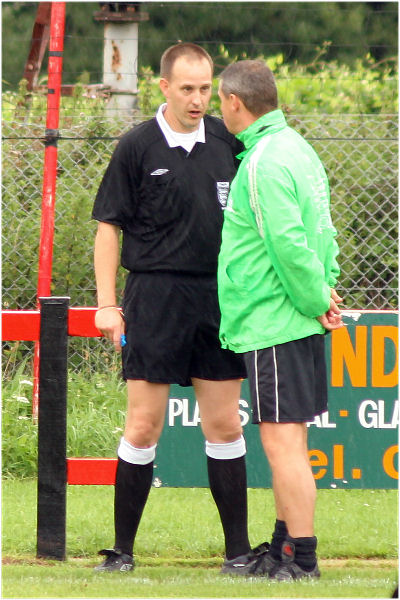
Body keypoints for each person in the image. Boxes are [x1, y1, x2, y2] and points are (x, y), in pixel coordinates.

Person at [92, 43, 264, 574]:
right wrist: (106, 305)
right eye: (186, 88)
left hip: (219, 300)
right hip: (155, 297)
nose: (197, 99)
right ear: (162, 86)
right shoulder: (137, 145)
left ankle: (237, 553)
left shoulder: (229, 142)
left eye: (206, 88)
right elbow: (107, 228)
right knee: (143, 426)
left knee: (225, 428)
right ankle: (121, 552)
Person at [216, 59, 344, 581]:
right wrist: (326, 287)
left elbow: (287, 243)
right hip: (295, 315)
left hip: (276, 319)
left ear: (234, 103)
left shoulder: (265, 160)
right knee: (289, 439)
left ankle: (301, 558)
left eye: (220, 99)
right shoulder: (298, 149)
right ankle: (282, 543)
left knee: (281, 443)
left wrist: (316, 296)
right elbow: (325, 230)